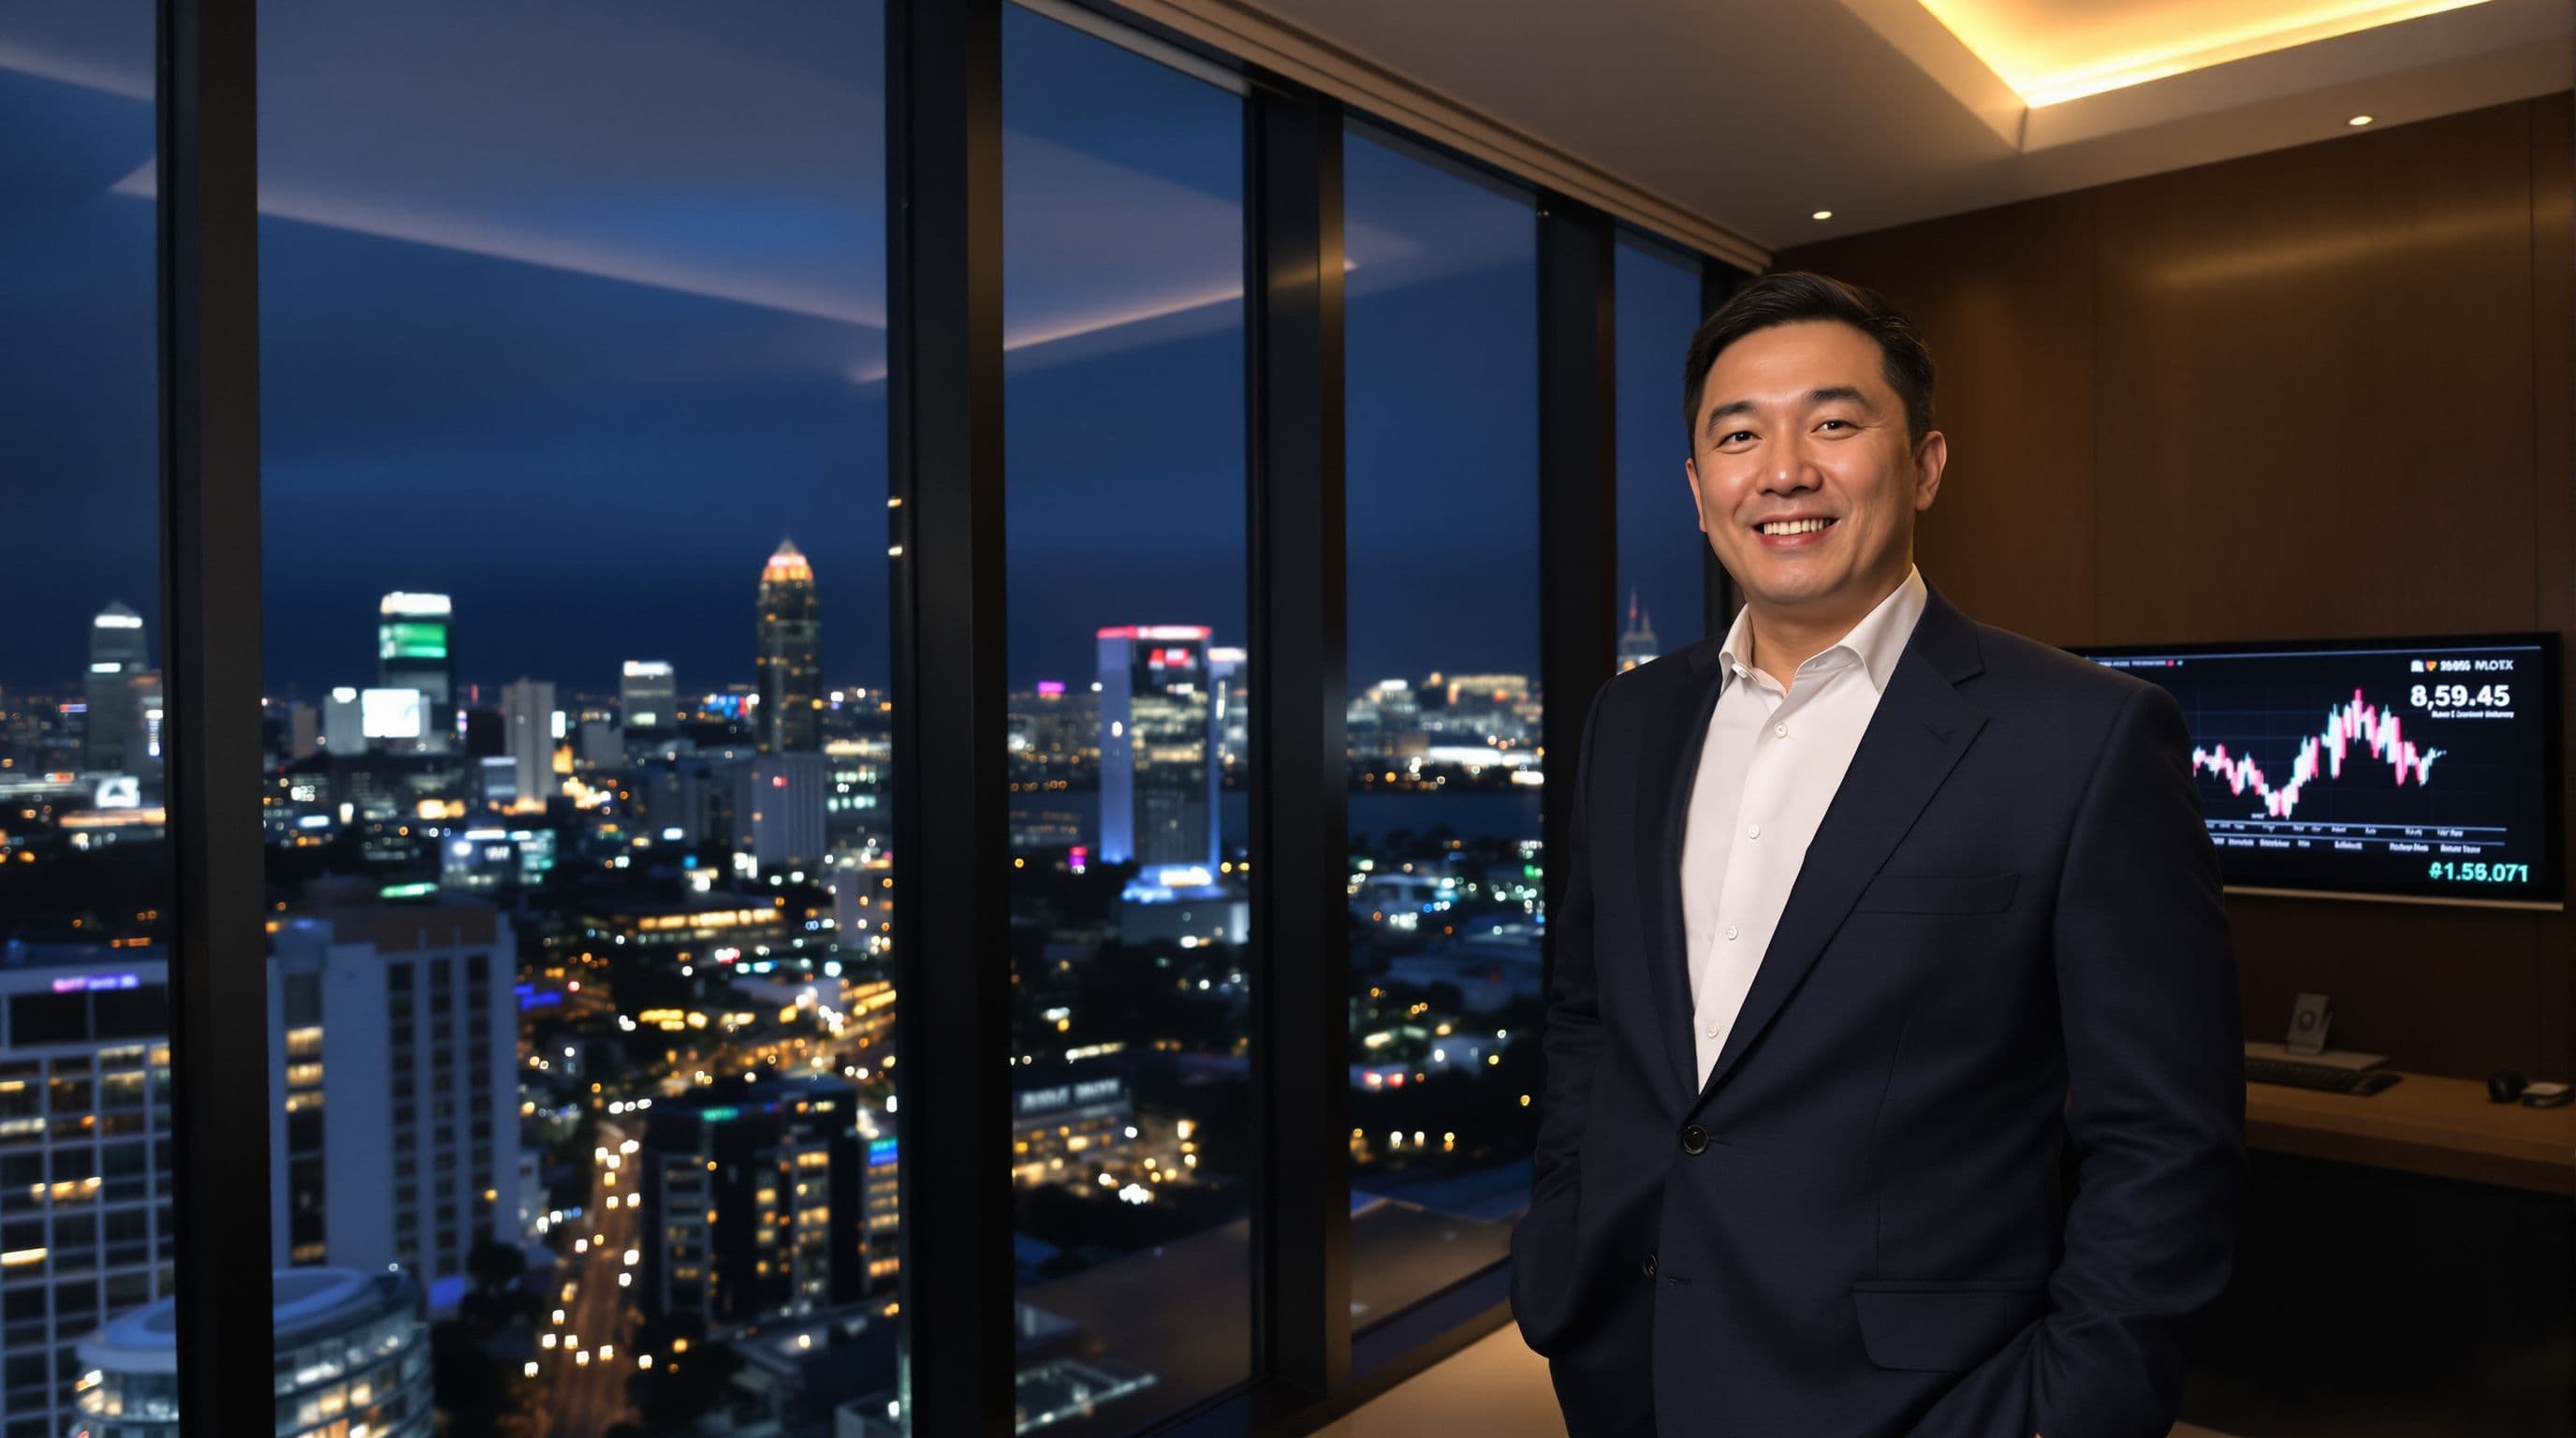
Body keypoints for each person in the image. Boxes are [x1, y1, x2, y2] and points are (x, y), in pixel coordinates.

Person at [1508, 271, 2244, 1438]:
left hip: (1926, 1395)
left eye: (1834, 423)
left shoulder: (2082, 735)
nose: (1783, 469)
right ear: (1701, 489)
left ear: (1926, 466)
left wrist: (2074, 1406)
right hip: (1624, 1356)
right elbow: (1588, 1017)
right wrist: (1561, 1235)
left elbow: (2164, 1132)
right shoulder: (1631, 720)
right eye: (1737, 435)